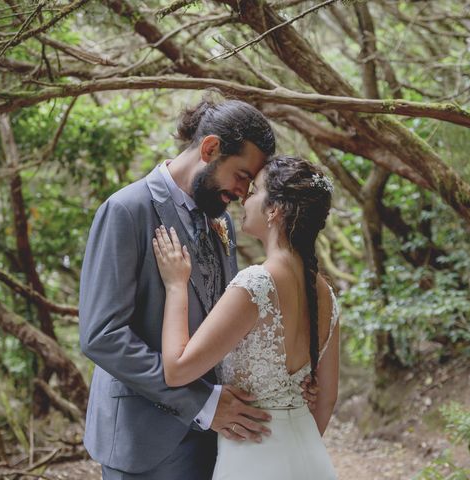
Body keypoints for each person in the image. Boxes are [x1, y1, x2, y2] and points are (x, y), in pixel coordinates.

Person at [79, 99, 283, 480]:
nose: (242, 192)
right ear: (209, 149)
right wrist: (202, 403)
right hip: (143, 440)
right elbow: (101, 336)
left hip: (211, 440)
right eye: (241, 175)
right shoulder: (126, 210)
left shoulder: (221, 220)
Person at [152, 155, 340, 479]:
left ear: (274, 209)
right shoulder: (327, 295)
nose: (244, 197)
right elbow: (327, 398)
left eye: (254, 190)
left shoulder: (256, 284)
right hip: (310, 458)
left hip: (255, 459)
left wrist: (176, 286)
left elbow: (177, 369)